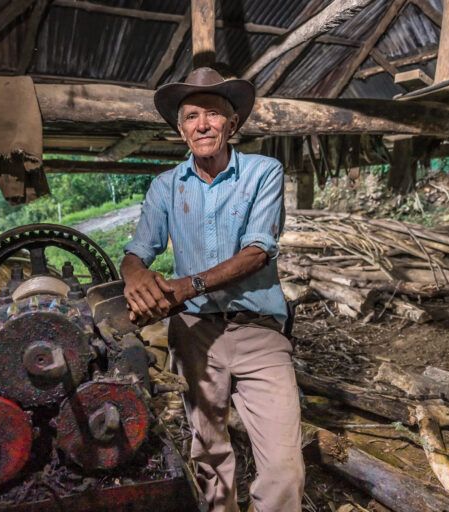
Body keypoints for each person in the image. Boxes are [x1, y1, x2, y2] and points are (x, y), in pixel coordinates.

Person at [120, 67, 304, 512]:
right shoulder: (166, 186)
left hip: (259, 332)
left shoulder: (263, 171)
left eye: (213, 114)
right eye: (191, 116)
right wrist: (135, 277)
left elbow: (257, 251)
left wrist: (187, 286)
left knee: (285, 467)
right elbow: (137, 252)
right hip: (195, 334)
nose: (202, 124)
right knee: (210, 453)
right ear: (180, 129)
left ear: (232, 124)